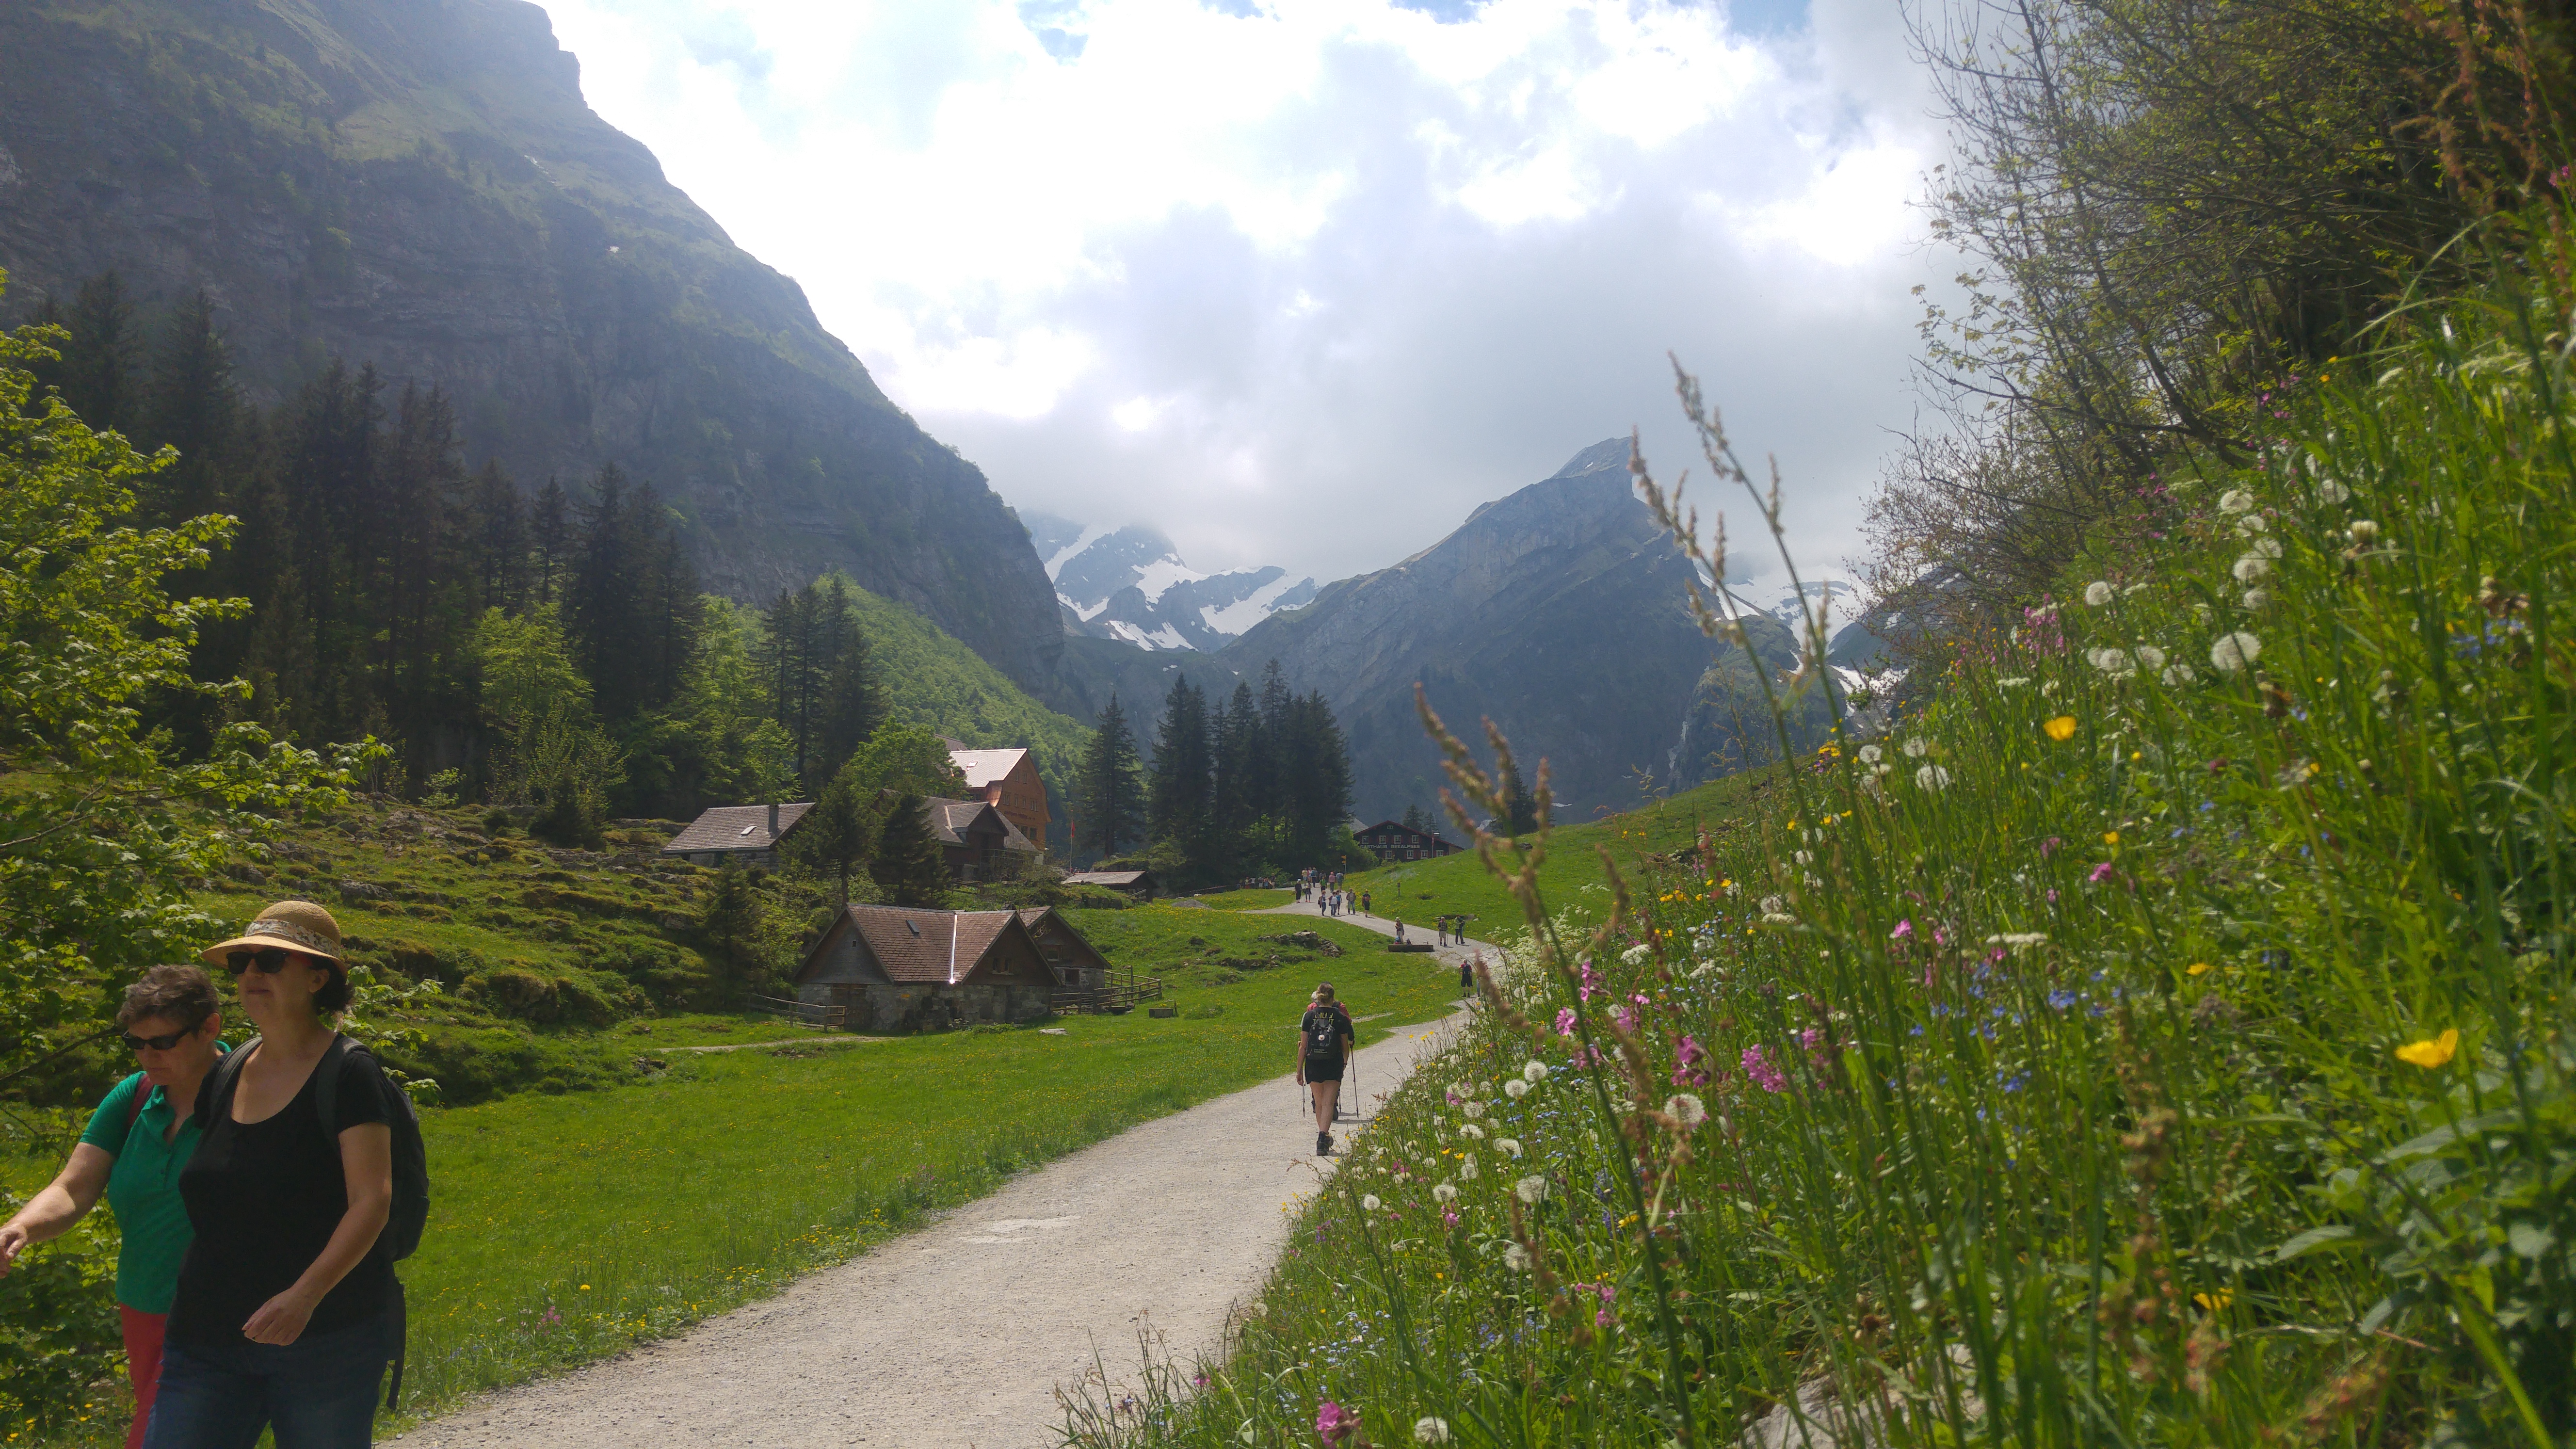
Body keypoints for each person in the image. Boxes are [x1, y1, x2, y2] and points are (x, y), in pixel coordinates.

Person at [146, 902, 399, 1449]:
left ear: (317, 977)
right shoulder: (228, 1070)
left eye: (271, 960)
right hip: (207, 1336)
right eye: (242, 962)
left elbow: (372, 1200)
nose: (252, 973)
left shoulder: (350, 1073)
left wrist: (303, 1297)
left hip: (325, 1339)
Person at [0, 966, 228, 1449]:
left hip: (218, 1315)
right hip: (143, 1306)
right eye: (136, 1043)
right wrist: (20, 1227)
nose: (148, 1056)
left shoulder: (251, 1095)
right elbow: (73, 1188)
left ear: (211, 1027)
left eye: (163, 1042)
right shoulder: (135, 1096)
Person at [1295, 984, 1356, 1156]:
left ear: (1318, 997)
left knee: (1319, 1102)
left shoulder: (1309, 1016)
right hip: (1333, 1062)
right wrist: (1344, 1063)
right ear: (1333, 998)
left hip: (1313, 1063)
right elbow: (1345, 1045)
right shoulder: (1340, 1017)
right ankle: (1323, 1138)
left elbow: (1303, 1046)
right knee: (1329, 1103)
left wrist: (1299, 1070)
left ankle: (1323, 1136)